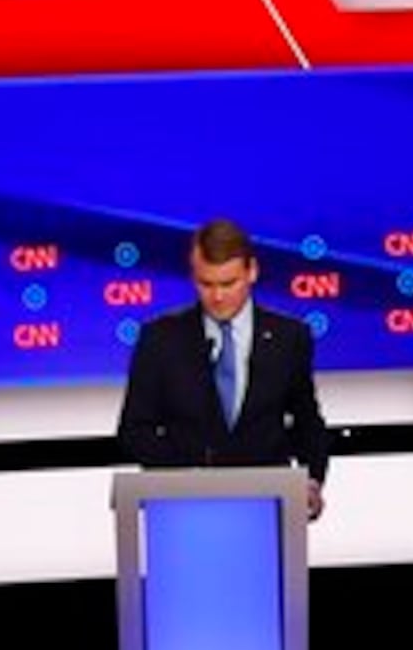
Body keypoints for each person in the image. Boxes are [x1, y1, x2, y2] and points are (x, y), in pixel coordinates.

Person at [116, 217, 330, 519]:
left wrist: (312, 482)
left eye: (228, 283)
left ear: (252, 271)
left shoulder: (289, 338)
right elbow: (134, 430)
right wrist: (192, 478)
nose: (217, 296)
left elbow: (307, 421)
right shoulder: (160, 339)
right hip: (183, 513)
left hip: (266, 510)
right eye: (206, 284)